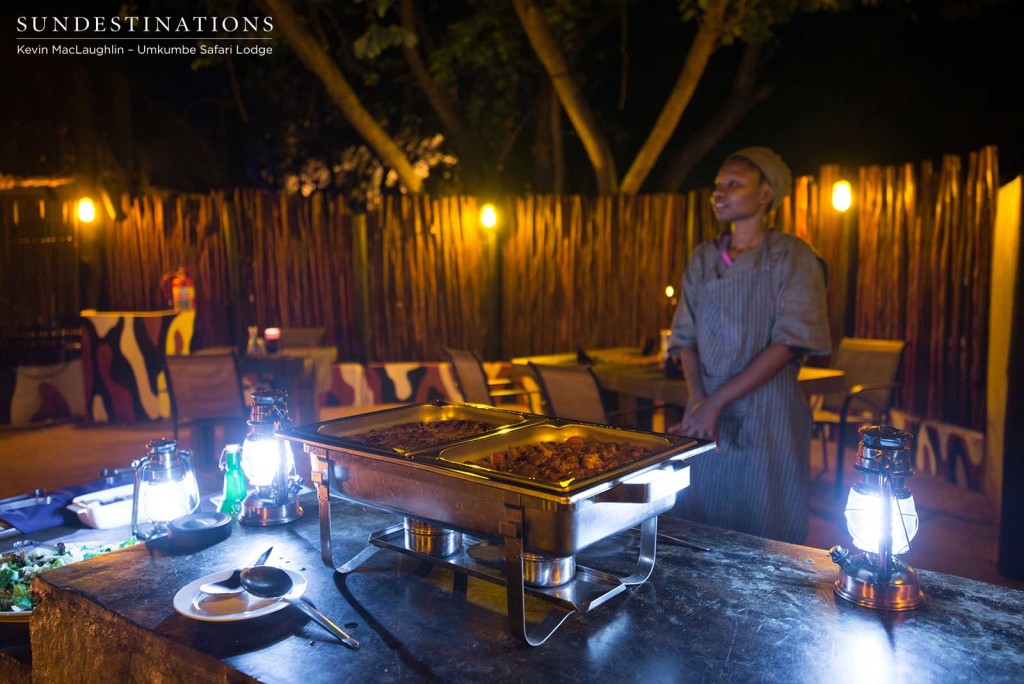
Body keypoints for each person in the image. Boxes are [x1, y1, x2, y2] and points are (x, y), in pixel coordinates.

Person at [666, 147, 831, 544]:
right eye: (718, 186)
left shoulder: (794, 257)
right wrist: (701, 404)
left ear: (766, 193)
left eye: (734, 184)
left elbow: (789, 342)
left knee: (768, 526)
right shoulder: (704, 259)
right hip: (704, 411)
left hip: (768, 411)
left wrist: (717, 402)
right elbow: (684, 338)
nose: (718, 194)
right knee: (702, 529)